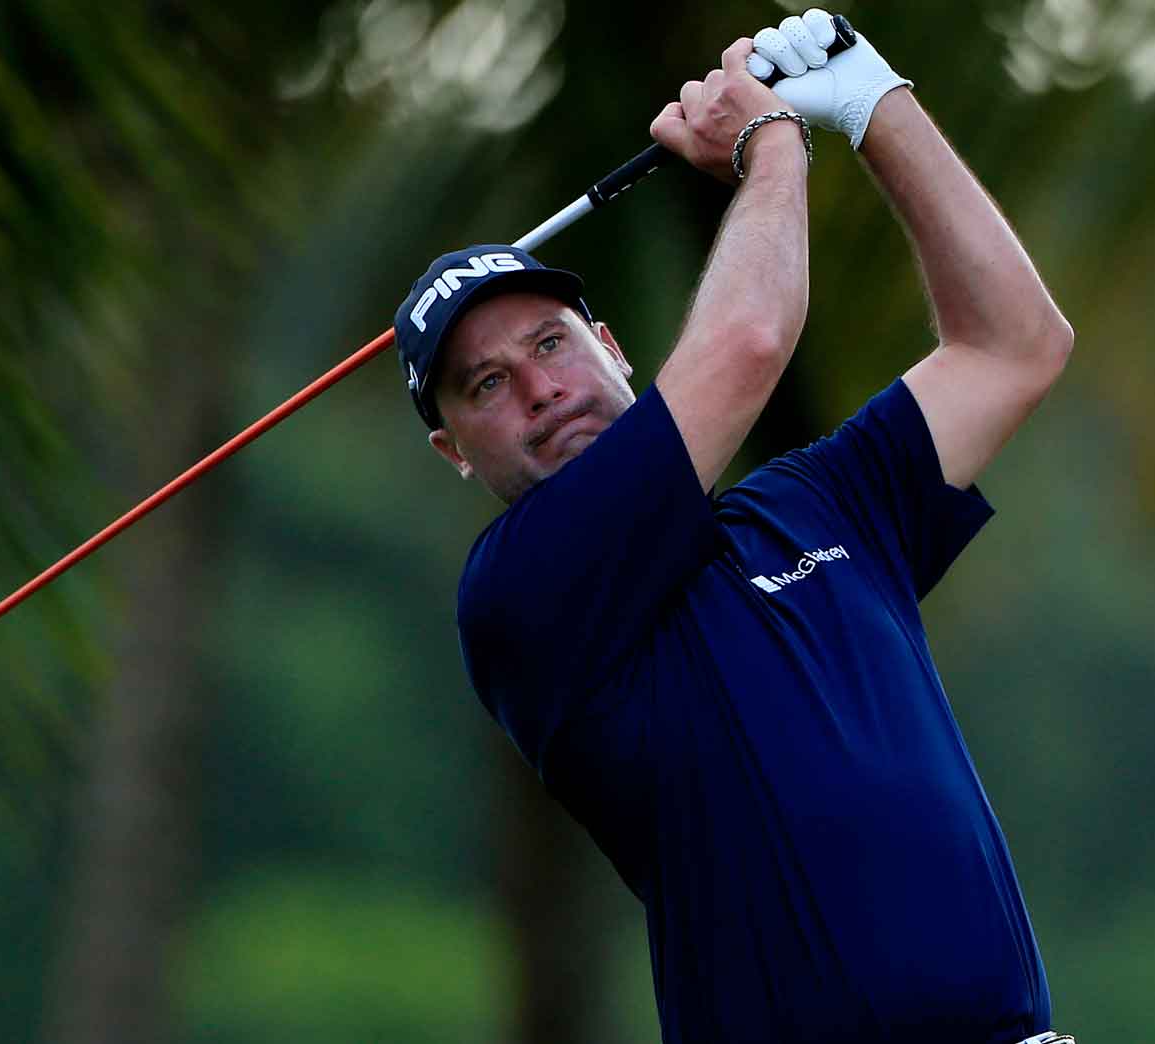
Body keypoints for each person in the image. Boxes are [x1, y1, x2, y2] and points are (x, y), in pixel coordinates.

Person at [393, 10, 1074, 1043]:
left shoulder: (810, 504)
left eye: (550, 341)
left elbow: (1012, 347)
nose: (539, 388)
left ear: (611, 347)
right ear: (453, 450)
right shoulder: (522, 595)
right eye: (486, 382)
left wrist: (878, 105)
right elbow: (750, 338)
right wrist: (772, 145)